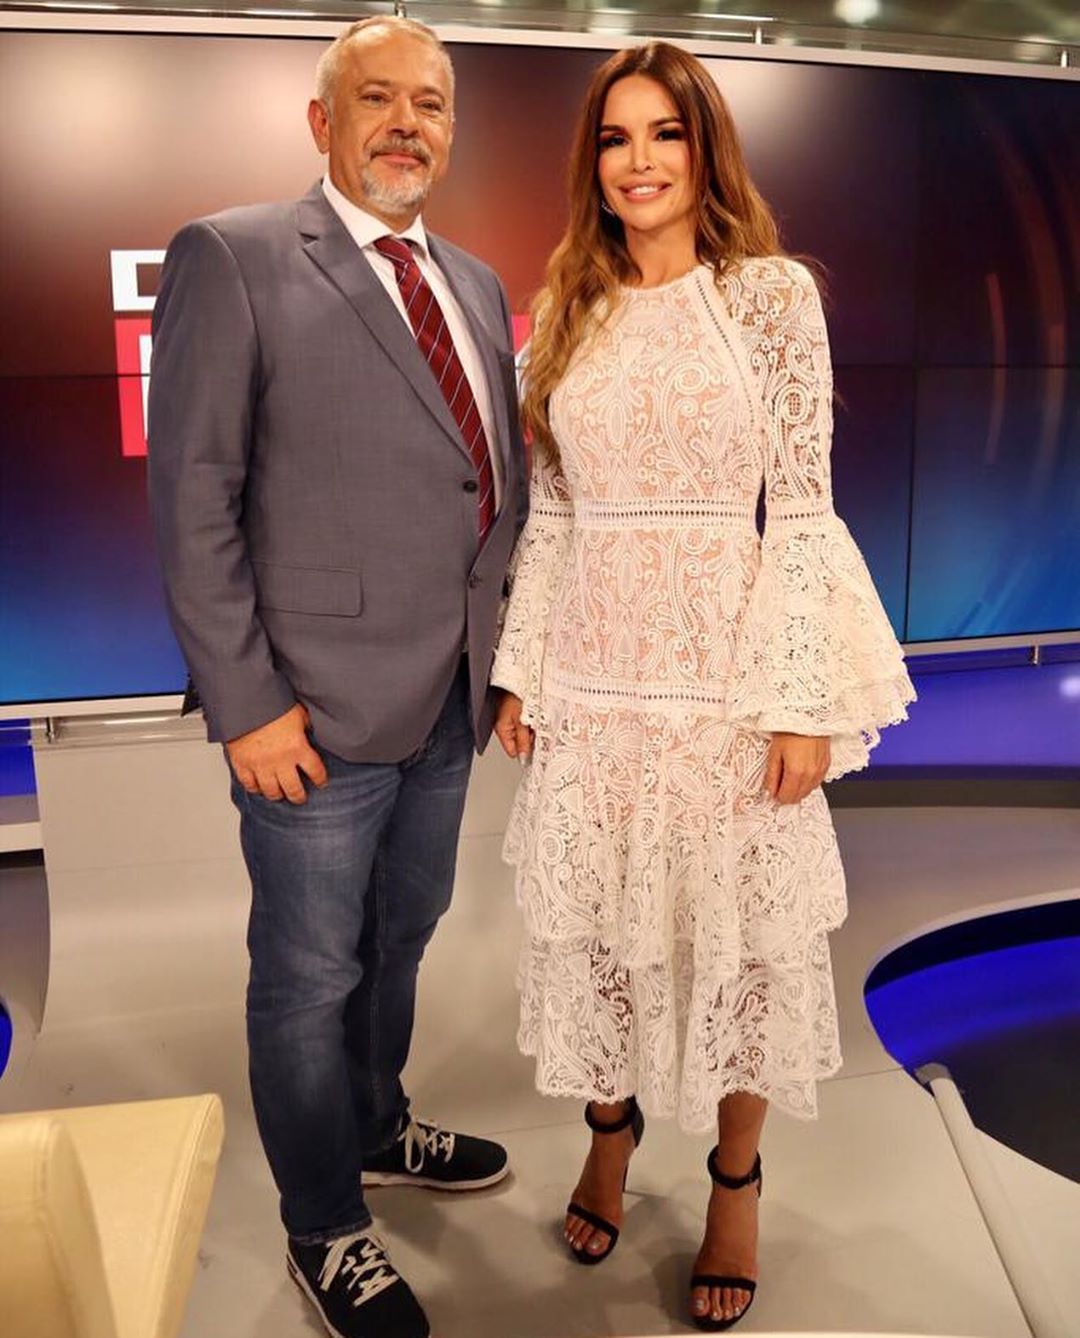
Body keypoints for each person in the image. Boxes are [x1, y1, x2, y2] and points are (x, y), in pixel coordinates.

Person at [491, 40, 914, 1333]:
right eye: (616, 138)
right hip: (595, 685)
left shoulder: (769, 296)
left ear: (705, 148)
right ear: (593, 162)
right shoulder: (565, 304)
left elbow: (802, 509)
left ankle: (736, 1184)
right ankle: (609, 1135)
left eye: (664, 133)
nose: (640, 161)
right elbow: (555, 517)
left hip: (727, 683)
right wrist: (522, 673)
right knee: (599, 937)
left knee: (743, 951)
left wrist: (800, 699)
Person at [148, 17, 526, 1338]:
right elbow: (193, 497)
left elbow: (492, 488)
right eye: (378, 97)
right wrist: (247, 704)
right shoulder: (234, 256)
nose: (408, 122)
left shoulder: (475, 282)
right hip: (306, 714)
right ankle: (325, 1224)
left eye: (432, 102)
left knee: (402, 936)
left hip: (449, 705)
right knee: (308, 975)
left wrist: (509, 662)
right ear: (324, 121)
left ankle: (374, 1122)